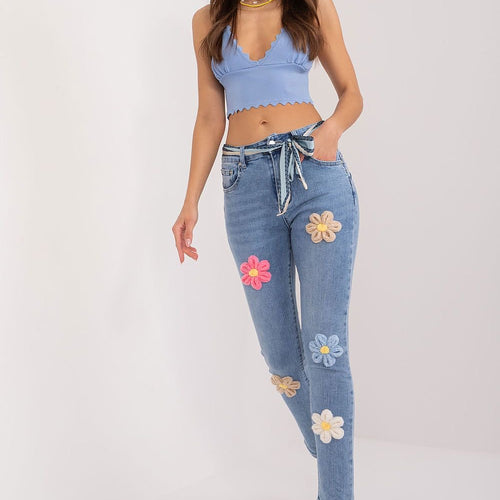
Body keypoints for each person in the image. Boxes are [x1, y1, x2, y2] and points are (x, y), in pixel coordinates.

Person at [172, 0, 363, 498]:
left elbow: (351, 95)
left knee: (324, 345)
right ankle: (331, 449)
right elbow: (209, 116)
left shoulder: (312, 6)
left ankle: (335, 490)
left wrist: (331, 131)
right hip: (244, 184)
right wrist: (190, 200)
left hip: (314, 173)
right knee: (280, 356)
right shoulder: (206, 20)